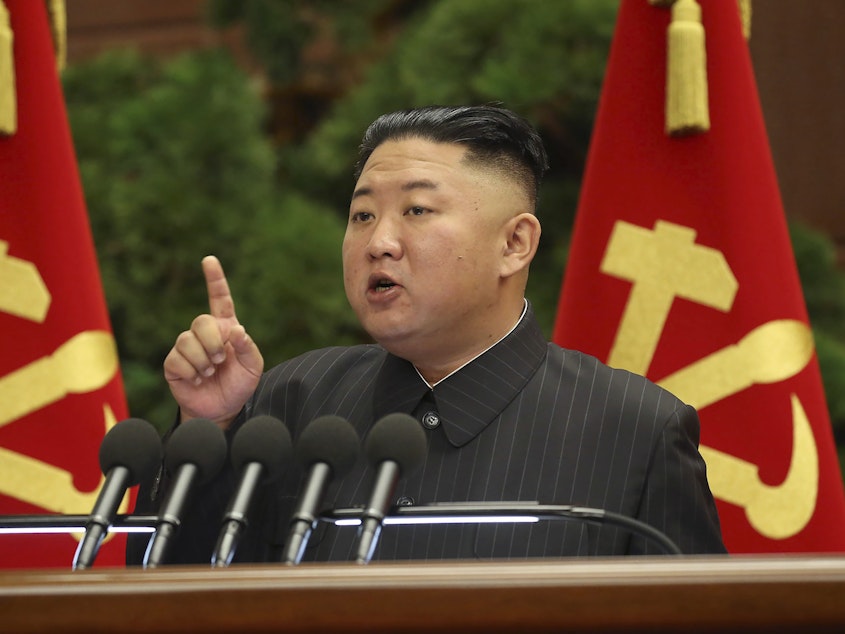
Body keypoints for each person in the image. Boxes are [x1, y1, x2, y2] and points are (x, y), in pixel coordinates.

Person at [127, 105, 726, 565]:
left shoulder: (636, 430)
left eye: (416, 211)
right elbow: (170, 592)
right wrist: (206, 427)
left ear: (515, 243)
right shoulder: (288, 402)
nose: (378, 241)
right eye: (362, 215)